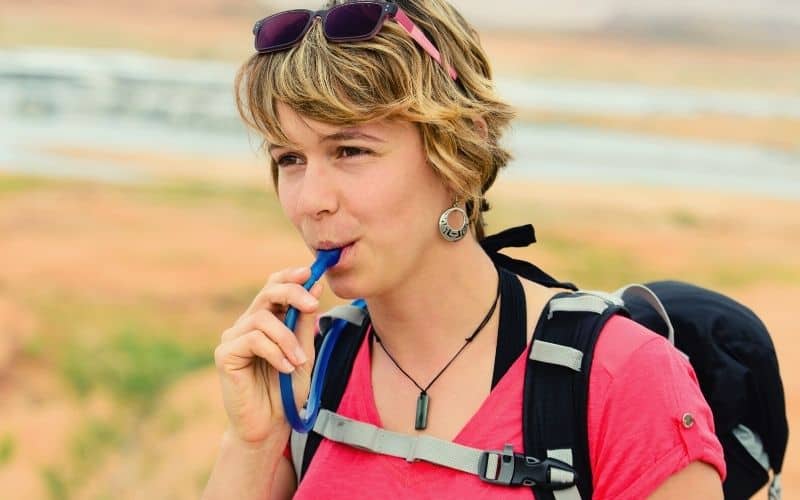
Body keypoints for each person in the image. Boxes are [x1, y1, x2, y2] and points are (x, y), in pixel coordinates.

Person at [202, 1, 726, 498]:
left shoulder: (623, 378)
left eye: (350, 150)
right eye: (290, 159)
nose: (310, 201)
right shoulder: (309, 374)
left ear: (457, 151)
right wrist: (253, 443)